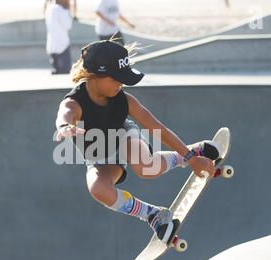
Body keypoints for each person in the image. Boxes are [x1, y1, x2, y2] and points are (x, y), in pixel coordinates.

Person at [54, 40, 220, 244]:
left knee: (145, 168)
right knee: (98, 189)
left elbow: (157, 128)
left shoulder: (125, 100)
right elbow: (65, 113)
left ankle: (191, 153)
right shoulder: (75, 102)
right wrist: (64, 127)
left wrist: (191, 158)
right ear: (94, 75)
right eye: (116, 79)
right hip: (100, 157)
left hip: (124, 135)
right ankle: (152, 215)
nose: (120, 84)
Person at [44, 0, 73, 74]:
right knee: (65, 72)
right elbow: (68, 25)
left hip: (51, 45)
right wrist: (67, 11)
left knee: (56, 71)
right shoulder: (61, 10)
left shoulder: (49, 8)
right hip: (62, 45)